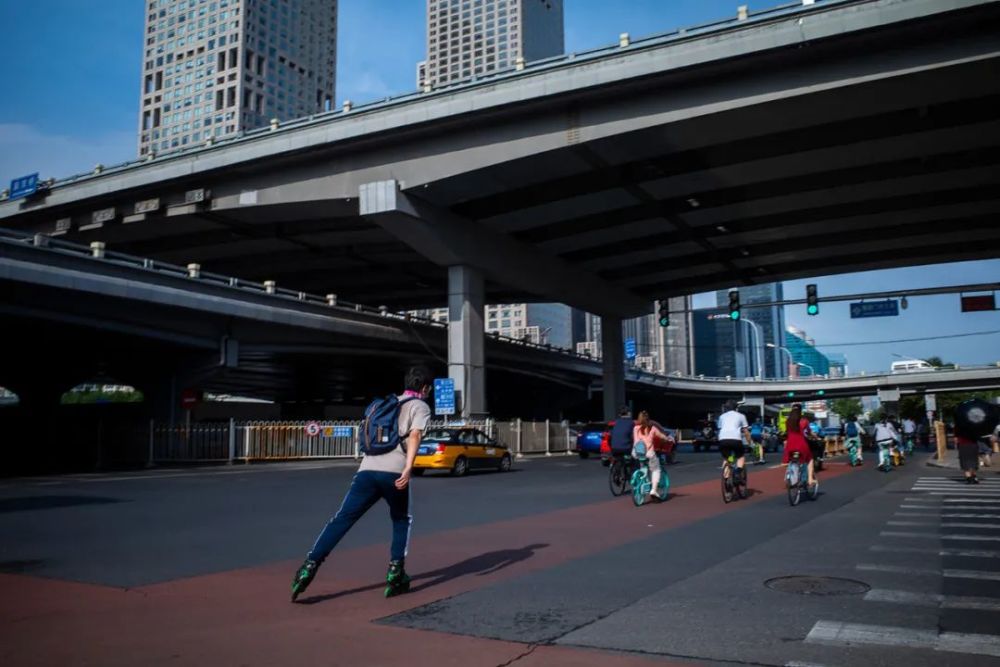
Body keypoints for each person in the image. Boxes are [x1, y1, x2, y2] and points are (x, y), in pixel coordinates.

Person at [290, 365, 432, 602]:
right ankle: (395, 573)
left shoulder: (385, 403)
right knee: (401, 519)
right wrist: (408, 468)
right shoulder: (420, 406)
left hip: (366, 470)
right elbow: (416, 435)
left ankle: (309, 566)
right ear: (425, 388)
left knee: (342, 519)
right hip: (394, 472)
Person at [632, 410, 663, 501]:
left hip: (636, 453)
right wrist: (668, 438)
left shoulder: (635, 428)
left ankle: (643, 480)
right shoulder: (652, 429)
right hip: (649, 453)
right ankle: (653, 490)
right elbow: (662, 436)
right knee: (656, 470)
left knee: (643, 466)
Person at [782, 406, 815, 486]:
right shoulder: (804, 421)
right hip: (801, 444)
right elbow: (809, 432)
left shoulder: (788, 421)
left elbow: (787, 432)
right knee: (810, 459)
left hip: (790, 445)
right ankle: (810, 479)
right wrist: (815, 436)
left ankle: (789, 475)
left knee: (791, 460)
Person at [716, 399, 749, 480]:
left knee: (727, 458)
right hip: (735, 440)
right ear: (736, 408)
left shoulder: (721, 416)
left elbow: (719, 430)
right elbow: (746, 431)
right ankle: (738, 473)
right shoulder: (741, 416)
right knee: (740, 457)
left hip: (723, 439)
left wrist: (719, 441)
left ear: (726, 408)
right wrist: (749, 442)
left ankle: (726, 480)